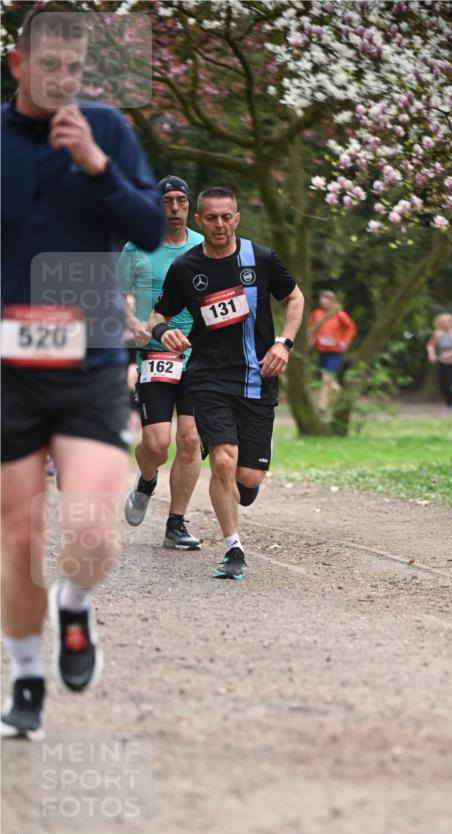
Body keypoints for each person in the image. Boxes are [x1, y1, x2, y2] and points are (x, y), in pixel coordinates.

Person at [1, 2, 163, 739]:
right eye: (50, 66)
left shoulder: (109, 130)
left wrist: (96, 167)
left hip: (92, 356)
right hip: (8, 367)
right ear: (18, 65)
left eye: (75, 67)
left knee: (92, 532)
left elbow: (150, 228)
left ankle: (75, 604)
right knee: (20, 537)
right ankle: (26, 676)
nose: (65, 80)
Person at [148, 186, 304, 580]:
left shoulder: (261, 259)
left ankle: (243, 486)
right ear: (200, 221)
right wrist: (164, 331)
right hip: (209, 376)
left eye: (226, 217)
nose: (219, 225)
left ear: (236, 218)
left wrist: (284, 344)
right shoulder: (186, 267)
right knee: (221, 460)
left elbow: (296, 299)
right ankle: (233, 548)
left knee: (246, 479)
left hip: (257, 376)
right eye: (211, 218)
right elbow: (157, 314)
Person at [120, 175, 203, 549]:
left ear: (189, 206)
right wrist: (135, 324)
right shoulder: (137, 247)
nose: (174, 208)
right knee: (157, 443)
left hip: (200, 354)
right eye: (167, 200)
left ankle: (176, 523)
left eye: (181, 201)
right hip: (155, 352)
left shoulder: (205, 245)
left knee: (190, 439)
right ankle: (146, 480)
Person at [307, 289, 357, 409]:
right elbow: (310, 328)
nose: (324, 301)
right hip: (321, 352)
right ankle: (343, 397)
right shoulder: (316, 314)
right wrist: (312, 339)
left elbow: (351, 328)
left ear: (332, 301)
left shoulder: (339, 314)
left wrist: (345, 341)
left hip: (334, 353)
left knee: (326, 379)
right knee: (328, 381)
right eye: (322, 298)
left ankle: (321, 406)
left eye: (327, 298)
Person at [426, 312, 452, 414]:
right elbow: (430, 345)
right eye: (443, 322)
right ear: (439, 323)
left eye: (448, 321)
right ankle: (448, 407)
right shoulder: (437, 334)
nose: (446, 324)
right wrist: (431, 355)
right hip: (442, 362)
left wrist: (451, 353)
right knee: (443, 386)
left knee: (450, 384)